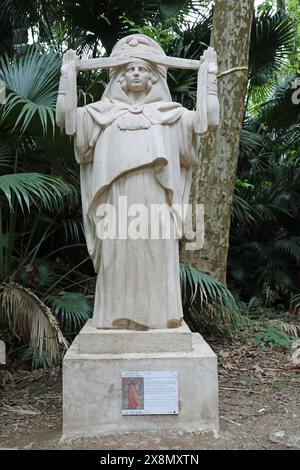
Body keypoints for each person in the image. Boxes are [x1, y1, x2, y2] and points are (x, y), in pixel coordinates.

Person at [56, 34, 219, 330]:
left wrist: (210, 76)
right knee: (117, 255)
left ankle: (158, 318)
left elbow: (208, 121)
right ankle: (114, 317)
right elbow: (65, 120)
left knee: (155, 254)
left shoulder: (169, 114)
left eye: (143, 68)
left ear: (153, 78)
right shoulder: (100, 113)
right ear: (118, 76)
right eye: (129, 68)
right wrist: (67, 76)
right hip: (114, 201)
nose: (135, 73)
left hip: (155, 203)